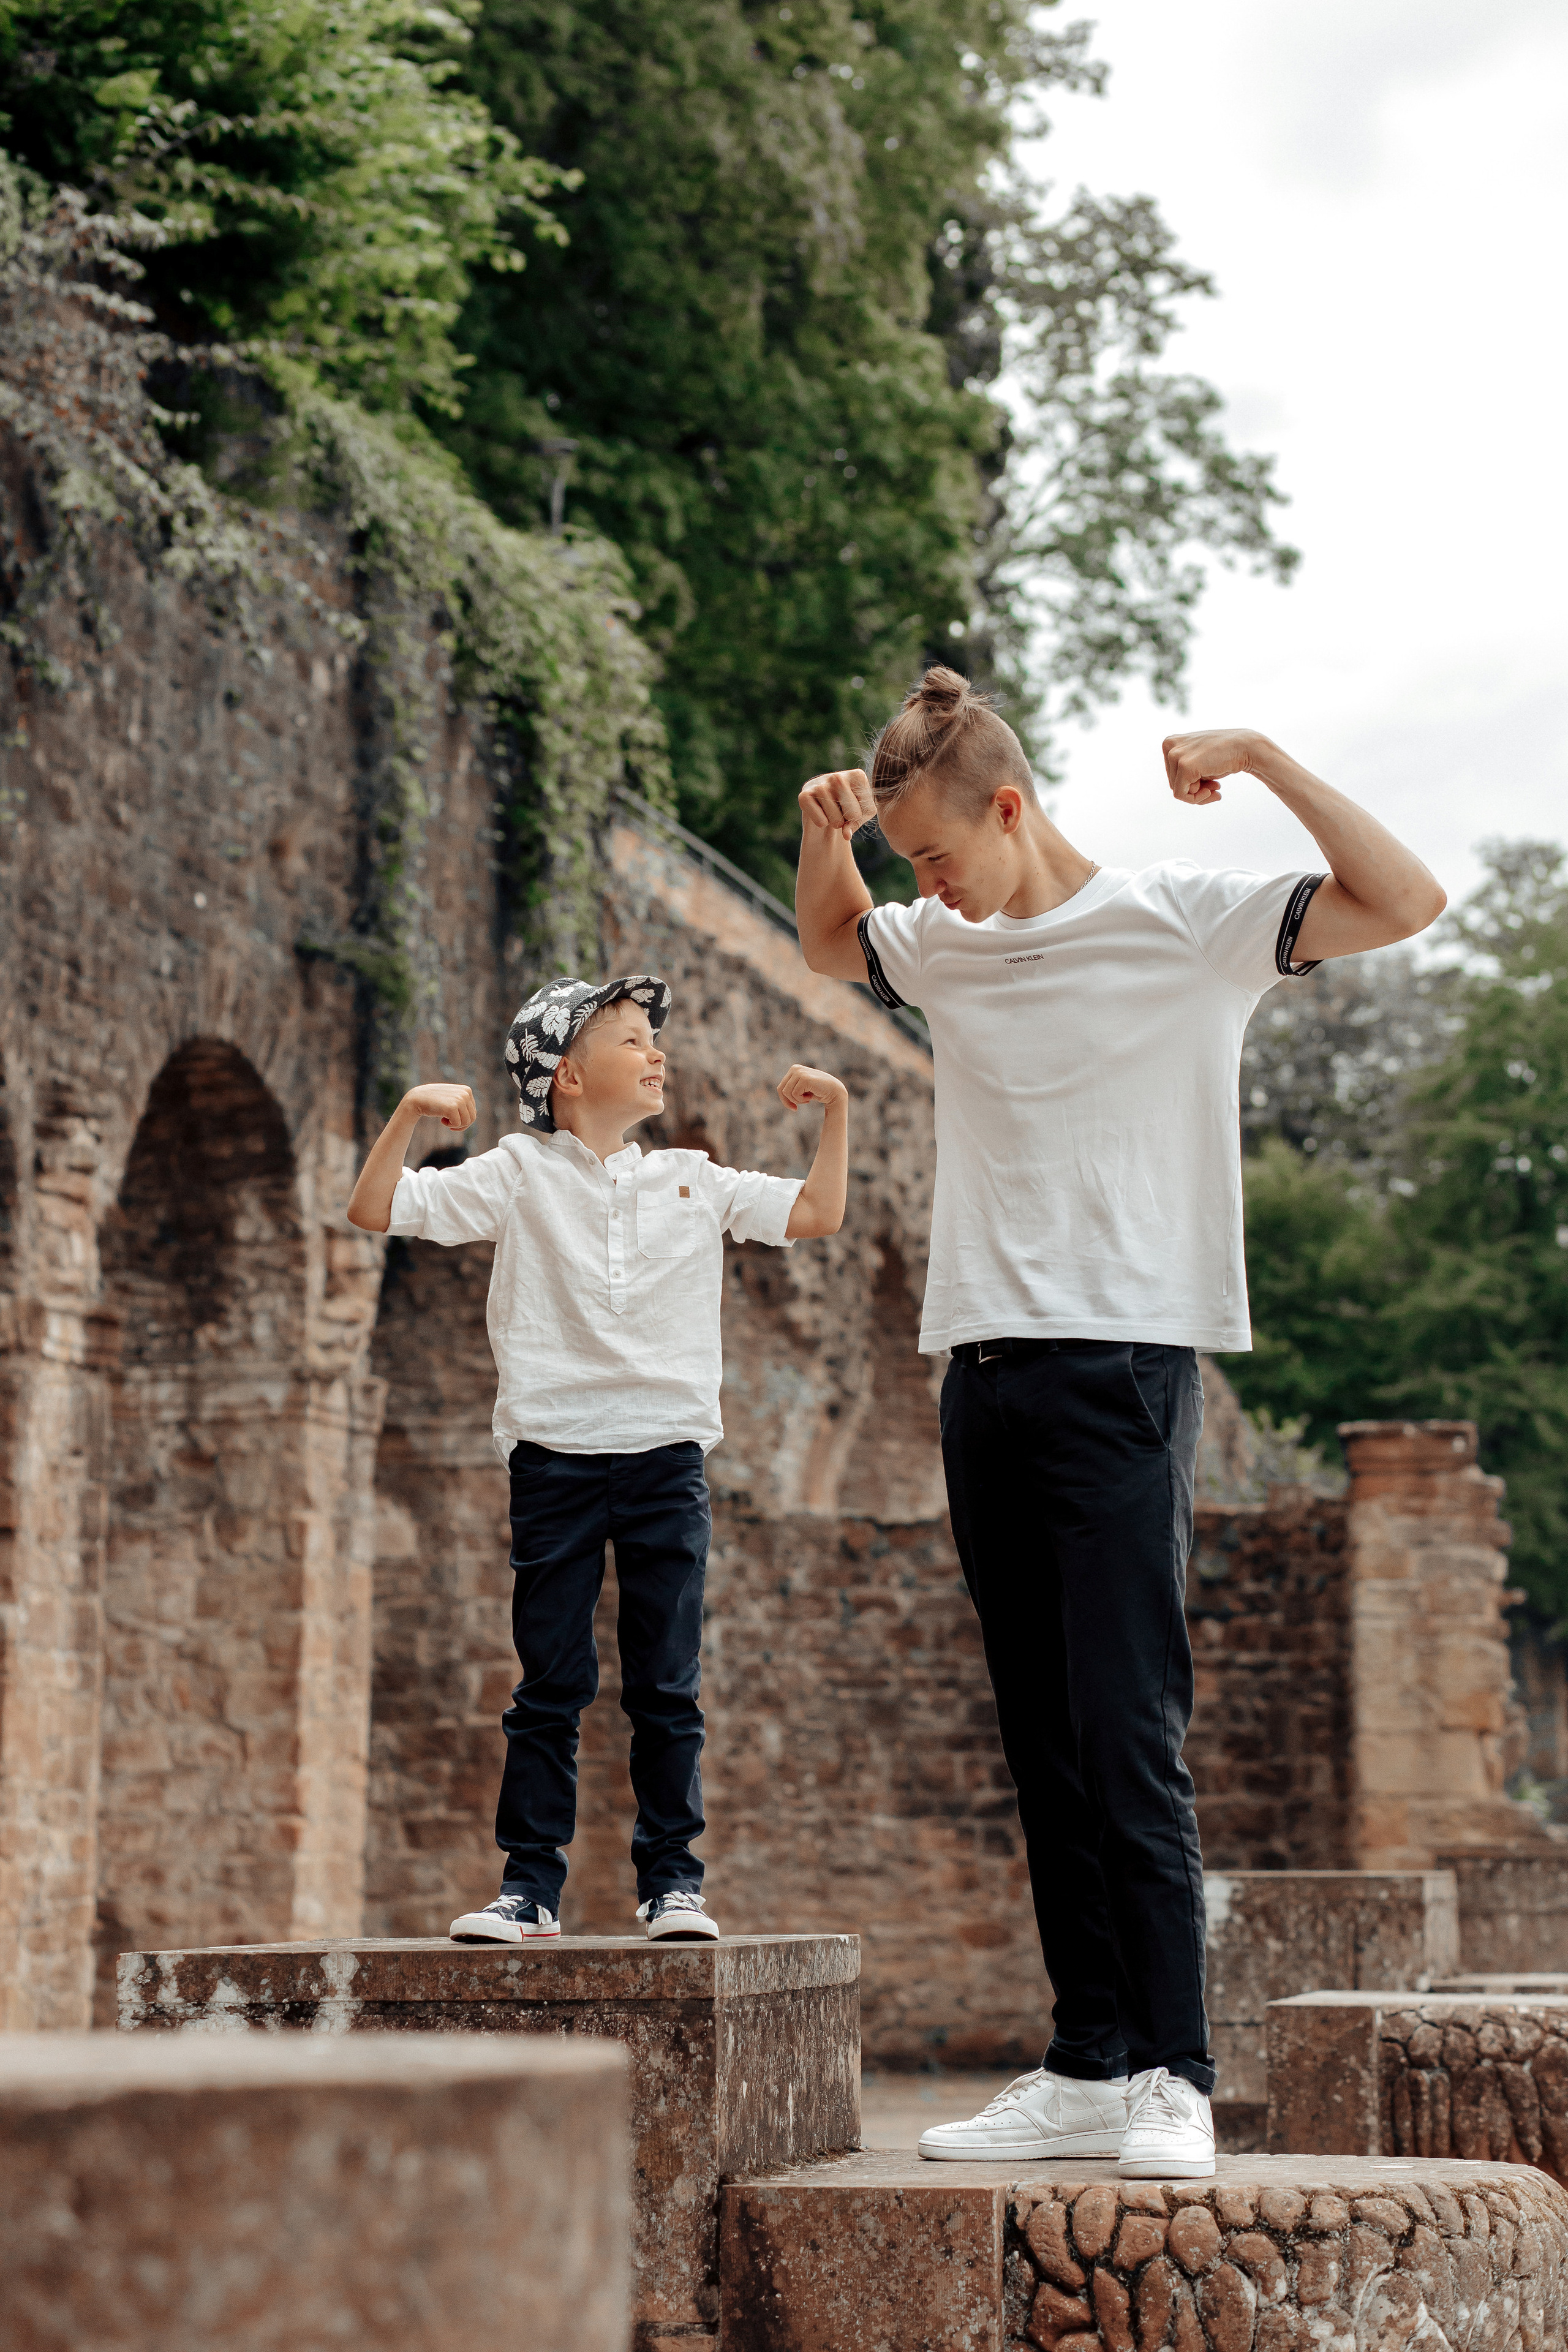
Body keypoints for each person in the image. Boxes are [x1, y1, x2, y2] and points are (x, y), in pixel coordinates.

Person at [794, 671, 1445, 2176]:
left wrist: (1268, 755)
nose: (925, 889)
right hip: (980, 1372)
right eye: (909, 869)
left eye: (936, 855)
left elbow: (1399, 899)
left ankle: (1172, 2071)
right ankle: (1085, 2060)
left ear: (1008, 808)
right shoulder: (941, 946)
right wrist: (827, 835)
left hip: (1124, 1371)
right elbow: (830, 940)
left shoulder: (1185, 923)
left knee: (1124, 1732)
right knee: (1038, 1739)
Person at [347, 974, 850, 1945]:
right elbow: (377, 1208)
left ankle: (674, 1885)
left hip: (666, 1455)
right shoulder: (515, 1171)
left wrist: (837, 1109)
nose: (656, 1052)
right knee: (551, 1684)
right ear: (569, 1076)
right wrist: (411, 1112)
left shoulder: (695, 1178)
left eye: (654, 1037)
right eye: (631, 1039)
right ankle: (528, 1888)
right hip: (554, 1457)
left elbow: (817, 1216)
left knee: (666, 1680)